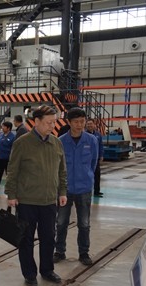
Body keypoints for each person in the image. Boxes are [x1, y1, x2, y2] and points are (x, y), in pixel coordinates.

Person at [5, 105, 67, 286]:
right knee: (26, 240)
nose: (52, 126)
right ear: (37, 121)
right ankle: (29, 274)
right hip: (27, 201)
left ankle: (47, 270)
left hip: (49, 201)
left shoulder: (56, 143)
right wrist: (11, 194)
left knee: (48, 238)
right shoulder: (22, 143)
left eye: (54, 122)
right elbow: (12, 170)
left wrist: (62, 191)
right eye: (49, 123)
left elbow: (62, 171)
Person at [54, 108, 99, 266]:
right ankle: (59, 251)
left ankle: (84, 253)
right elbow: (58, 166)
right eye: (76, 122)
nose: (80, 125)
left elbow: (93, 163)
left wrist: (87, 177)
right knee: (61, 222)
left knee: (84, 223)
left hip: (84, 188)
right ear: (69, 122)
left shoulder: (91, 140)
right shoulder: (60, 141)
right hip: (65, 190)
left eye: (82, 121)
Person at [0, 121, 16, 191]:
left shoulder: (13, 137)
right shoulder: (1, 136)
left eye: (4, 126)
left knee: (9, 174)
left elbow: (14, 148)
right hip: (0, 158)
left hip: (8, 159)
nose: (2, 128)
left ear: (8, 128)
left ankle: (10, 187)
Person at [86, 118, 104, 197]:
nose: (89, 125)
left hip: (96, 158)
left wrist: (101, 155)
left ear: (94, 125)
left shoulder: (98, 135)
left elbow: (101, 145)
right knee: (86, 175)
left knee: (97, 175)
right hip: (87, 159)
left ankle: (97, 191)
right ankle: (86, 191)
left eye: (91, 124)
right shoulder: (84, 135)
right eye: (88, 124)